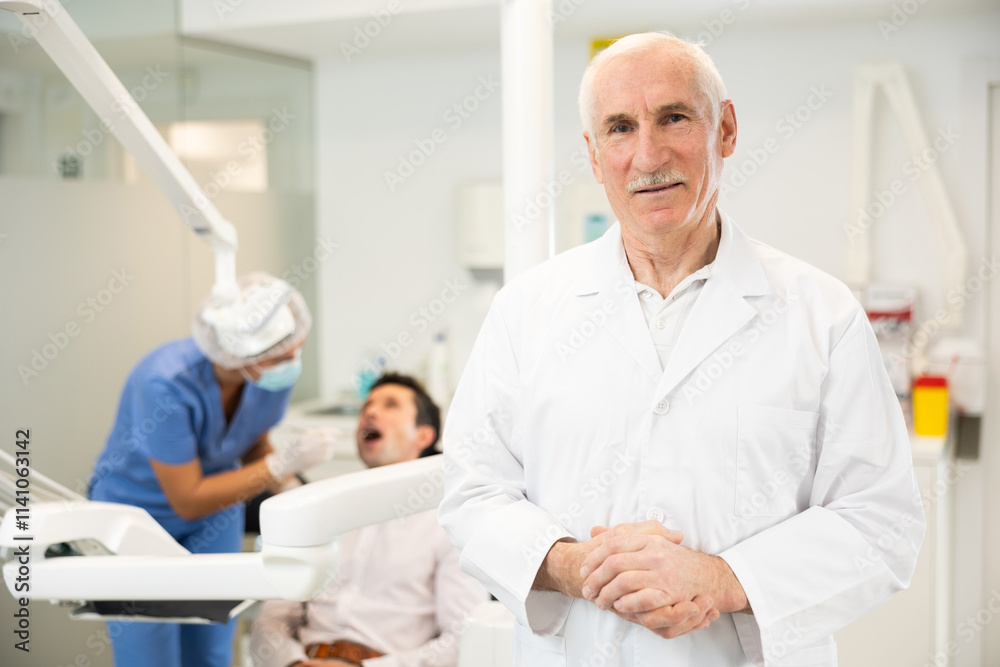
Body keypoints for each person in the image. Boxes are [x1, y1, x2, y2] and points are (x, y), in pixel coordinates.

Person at [438, 32, 925, 666]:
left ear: (725, 130)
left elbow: (881, 522)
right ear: (594, 155)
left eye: (673, 118)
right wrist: (575, 567)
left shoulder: (821, 315)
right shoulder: (525, 312)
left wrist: (721, 579)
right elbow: (472, 494)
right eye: (620, 127)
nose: (648, 155)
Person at [88, 272, 336, 667]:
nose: (293, 362)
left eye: (296, 351)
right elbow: (187, 499)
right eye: (281, 357)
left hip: (216, 513)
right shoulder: (164, 382)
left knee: (210, 649)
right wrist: (280, 465)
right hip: (137, 517)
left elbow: (250, 437)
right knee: (149, 655)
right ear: (243, 355)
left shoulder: (270, 373)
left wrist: (288, 485)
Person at [250, 373, 488, 667]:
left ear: (423, 436)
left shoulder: (449, 526)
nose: (371, 412)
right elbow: (270, 621)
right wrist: (293, 662)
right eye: (366, 406)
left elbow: (464, 639)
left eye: (390, 405)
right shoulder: (325, 515)